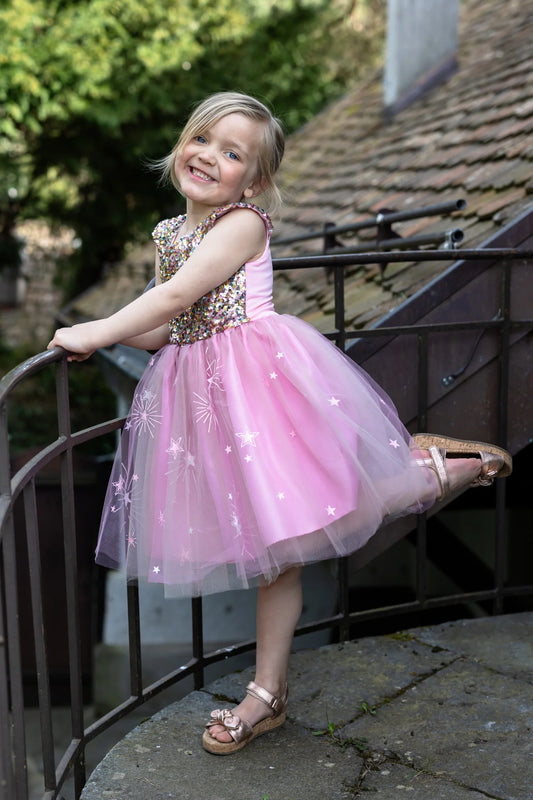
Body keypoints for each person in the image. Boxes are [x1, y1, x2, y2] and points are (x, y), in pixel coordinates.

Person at [48, 91, 512, 756]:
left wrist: (93, 331)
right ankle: (272, 693)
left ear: (254, 182)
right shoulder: (171, 233)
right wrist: (121, 335)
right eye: (202, 139)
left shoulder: (242, 224)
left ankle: (442, 469)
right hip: (207, 406)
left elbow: (177, 294)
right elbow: (167, 323)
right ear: (182, 144)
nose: (209, 157)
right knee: (277, 550)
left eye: (232, 153)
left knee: (307, 526)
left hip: (259, 393)